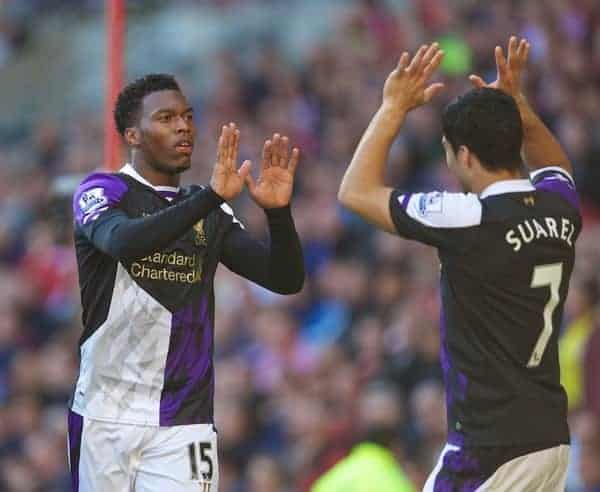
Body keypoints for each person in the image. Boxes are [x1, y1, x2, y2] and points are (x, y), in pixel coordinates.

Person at [338, 37, 579, 491]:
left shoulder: (468, 215)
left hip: (489, 445)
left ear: (464, 155)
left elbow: (355, 191)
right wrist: (518, 107)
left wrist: (392, 107)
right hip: (550, 440)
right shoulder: (558, 210)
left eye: (450, 152)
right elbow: (557, 167)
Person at [67, 73, 304, 491]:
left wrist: (278, 215)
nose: (183, 127)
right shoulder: (103, 190)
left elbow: (283, 279)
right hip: (106, 415)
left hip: (185, 419)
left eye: (188, 117)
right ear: (133, 135)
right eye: (166, 117)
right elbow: (122, 242)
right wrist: (209, 197)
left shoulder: (208, 212)